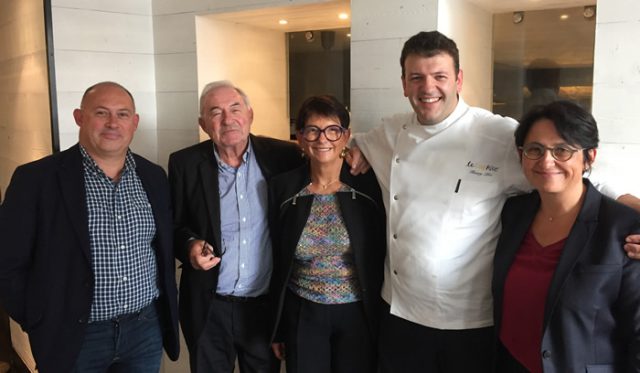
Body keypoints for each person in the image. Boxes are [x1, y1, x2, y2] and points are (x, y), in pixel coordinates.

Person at [348, 31, 640, 372]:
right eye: (417, 78)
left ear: (458, 79)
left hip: (470, 321)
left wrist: (634, 214)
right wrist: (349, 150)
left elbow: (578, 173)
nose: (428, 88)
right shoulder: (388, 132)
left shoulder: (497, 135)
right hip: (399, 311)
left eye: (440, 76)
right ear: (404, 84)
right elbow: (347, 141)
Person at [0, 81, 180, 372]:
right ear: (79, 117)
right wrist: (37, 318)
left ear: (134, 123)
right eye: (101, 113)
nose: (113, 123)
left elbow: (164, 244)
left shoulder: (154, 176)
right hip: (75, 336)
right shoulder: (36, 180)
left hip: (144, 330)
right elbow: (7, 263)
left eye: (122, 114)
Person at [492, 101, 640, 372]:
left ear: (590, 157)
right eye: (535, 149)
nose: (547, 161)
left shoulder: (625, 229)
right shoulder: (512, 213)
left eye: (562, 150)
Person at [168, 80, 304, 373]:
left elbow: (326, 155)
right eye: (215, 112)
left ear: (250, 115)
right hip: (209, 307)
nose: (227, 119)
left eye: (235, 108)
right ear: (204, 124)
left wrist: (352, 154)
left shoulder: (284, 157)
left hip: (263, 308)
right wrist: (190, 245)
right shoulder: (185, 163)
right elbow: (174, 225)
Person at [268, 96, 385, 373]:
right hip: (303, 311)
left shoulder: (368, 188)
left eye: (333, 130)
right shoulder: (283, 189)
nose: (323, 139)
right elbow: (276, 258)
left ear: (346, 136)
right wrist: (278, 327)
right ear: (300, 137)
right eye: (312, 130)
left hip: (357, 313)